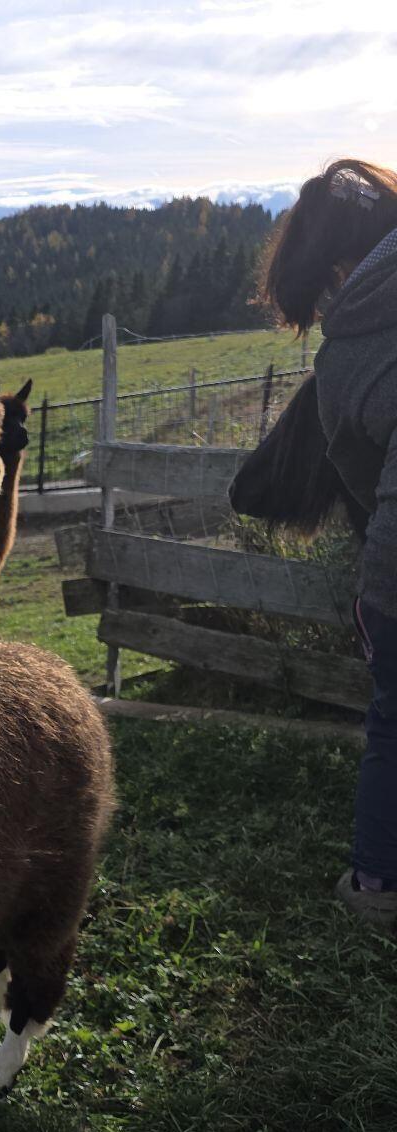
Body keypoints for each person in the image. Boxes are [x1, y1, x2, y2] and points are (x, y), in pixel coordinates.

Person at [261, 159, 397, 932]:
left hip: (392, 580)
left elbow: (358, 473)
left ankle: (377, 886)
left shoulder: (344, 359)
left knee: (392, 724)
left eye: (320, 292)